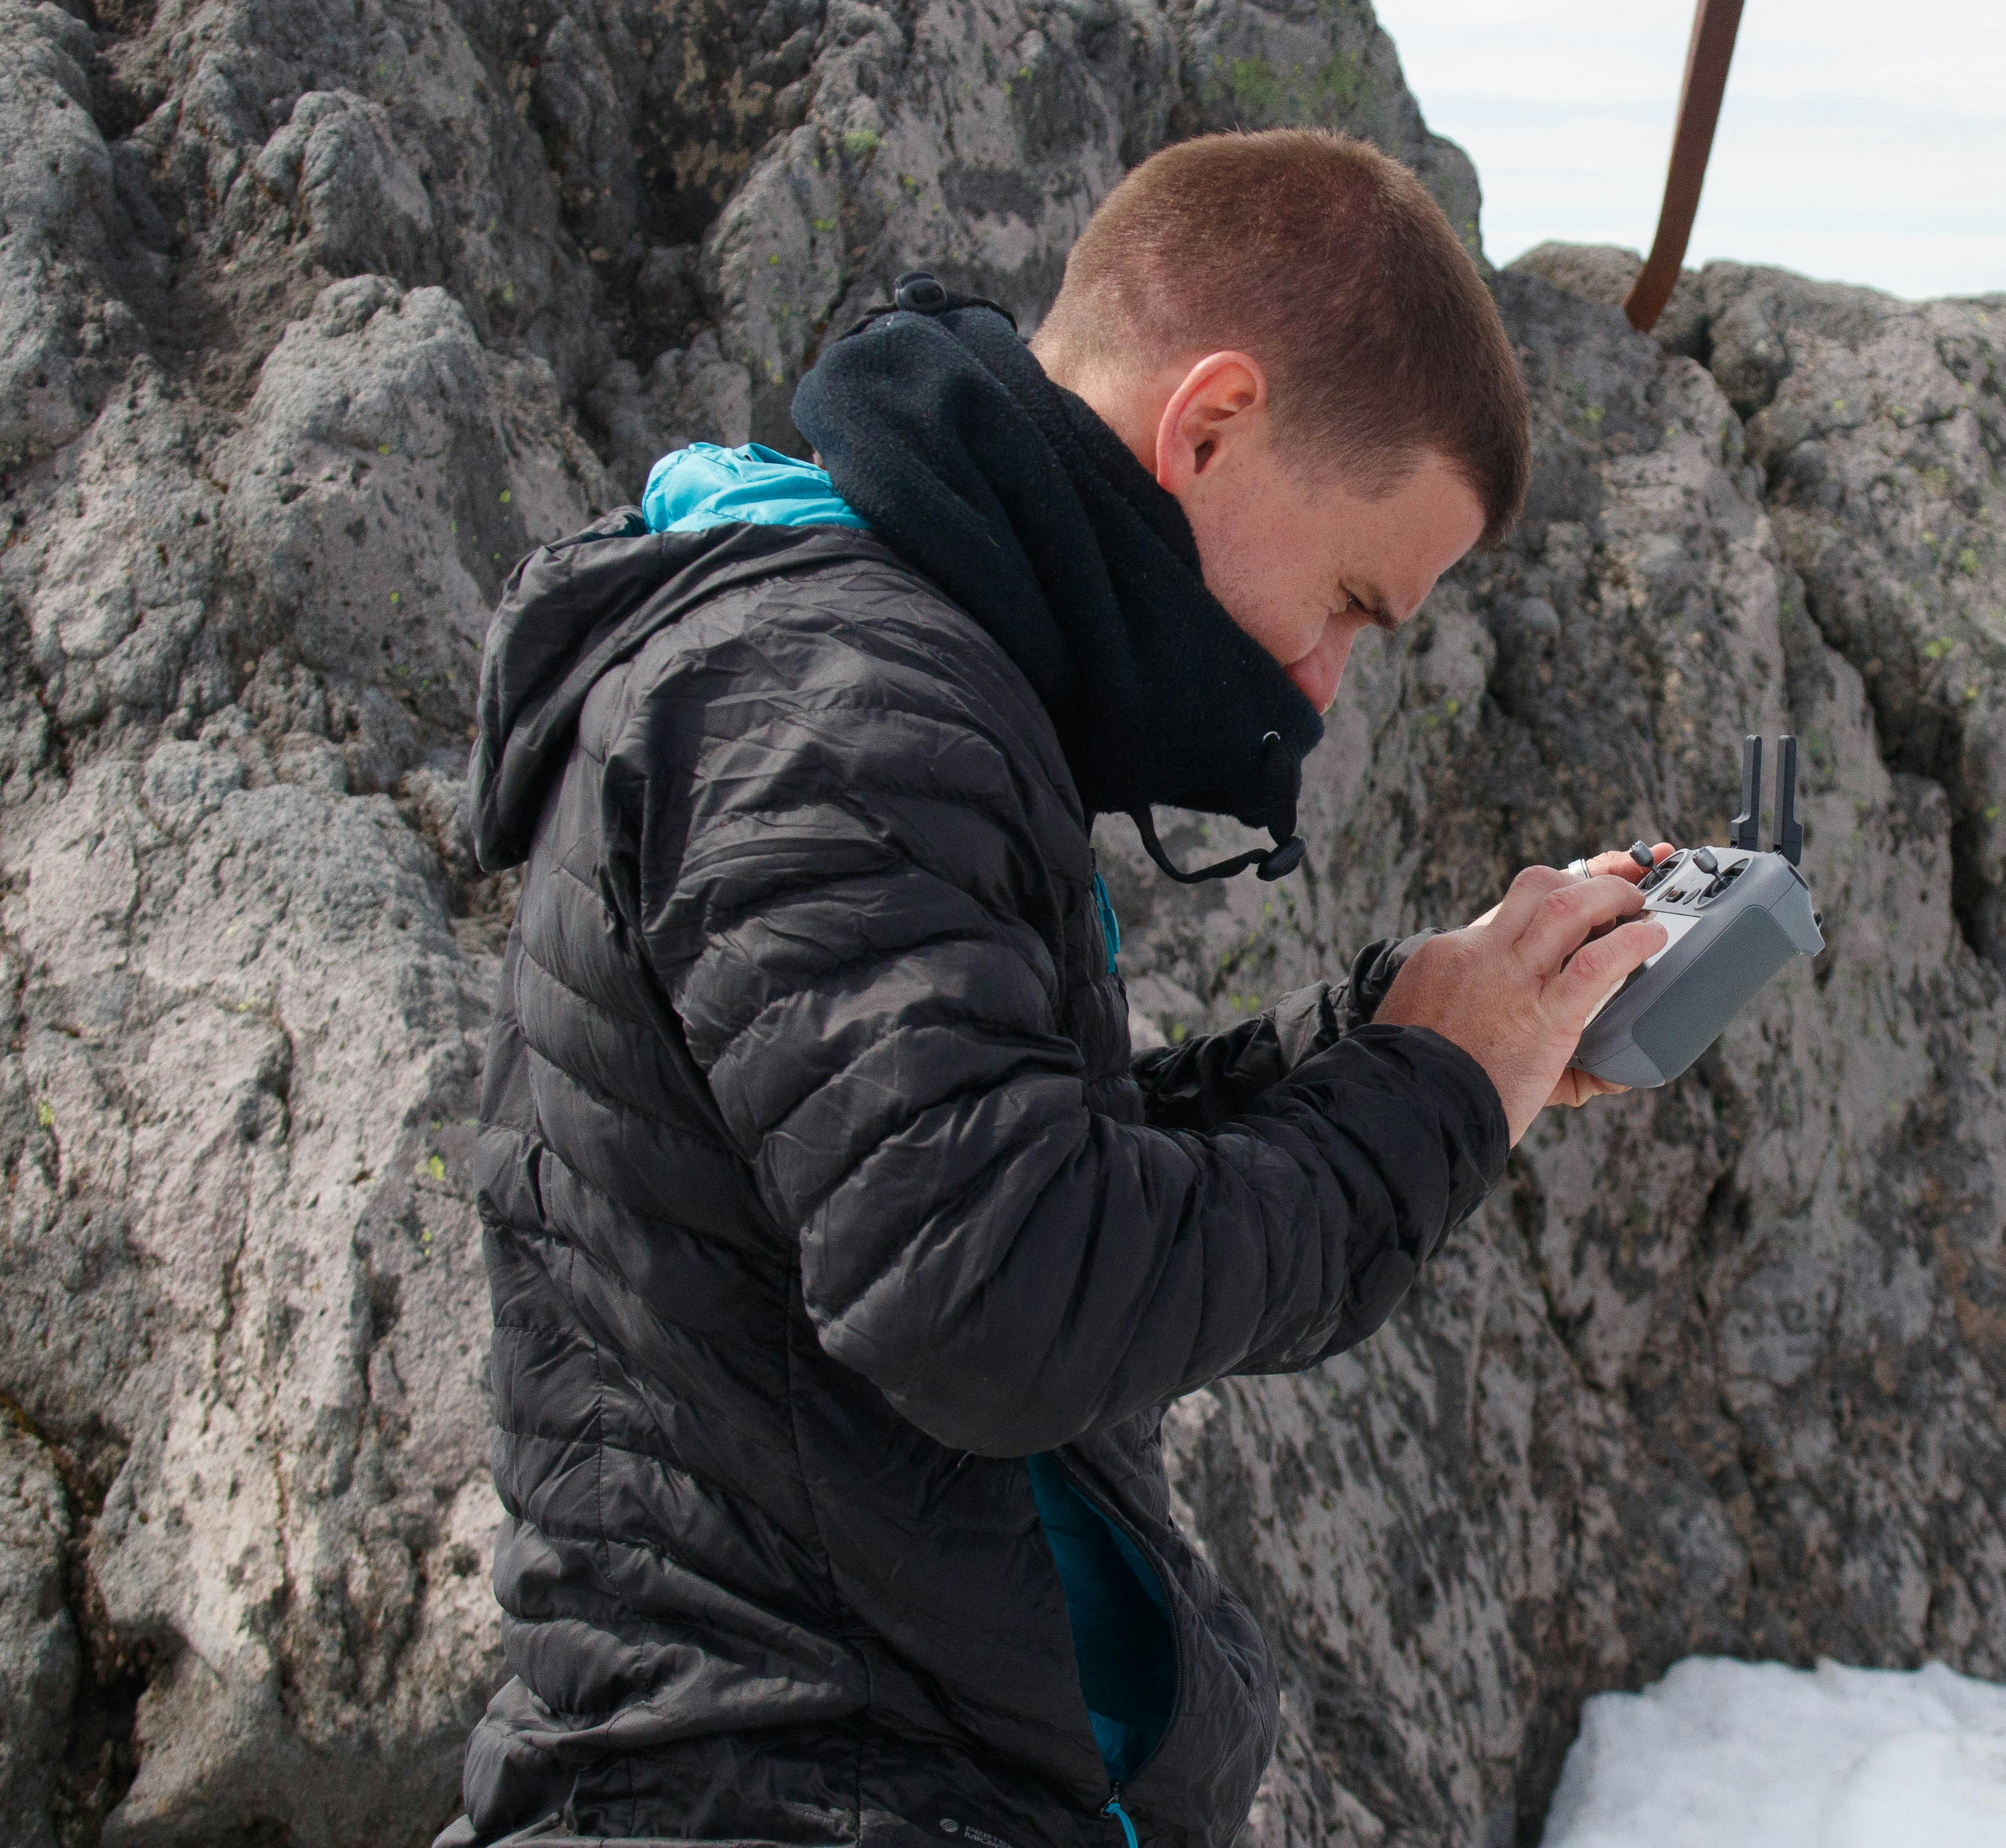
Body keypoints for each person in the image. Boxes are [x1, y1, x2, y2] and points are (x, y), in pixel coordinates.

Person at [449, 130, 1661, 1848]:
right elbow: (997, 1294)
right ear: (1211, 422)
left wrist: (1401, 1042)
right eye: (1348, 603)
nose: (1317, 688)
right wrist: (1429, 1101)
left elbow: (998, 1172)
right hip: (774, 1788)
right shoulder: (831, 710)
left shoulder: (907, 684)